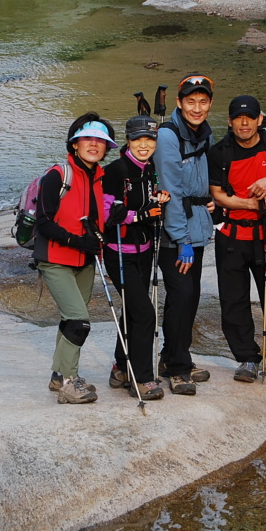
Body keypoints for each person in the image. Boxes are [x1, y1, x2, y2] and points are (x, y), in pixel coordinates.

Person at [208, 95, 266, 401]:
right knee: (233, 301)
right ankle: (247, 358)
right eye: (238, 118)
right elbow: (218, 195)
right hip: (231, 236)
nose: (245, 123)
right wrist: (251, 202)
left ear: (259, 119)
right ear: (230, 121)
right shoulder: (219, 152)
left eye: (250, 118)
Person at [34, 112, 116, 404]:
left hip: (84, 260)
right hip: (55, 257)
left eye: (100, 141)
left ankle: (60, 376)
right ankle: (69, 383)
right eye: (87, 139)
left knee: (70, 320)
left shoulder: (99, 178)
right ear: (75, 144)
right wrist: (75, 240)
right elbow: (43, 221)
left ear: (107, 147)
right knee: (79, 321)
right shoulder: (59, 175)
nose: (94, 145)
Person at [151, 74, 216, 395]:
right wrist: (182, 241)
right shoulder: (168, 136)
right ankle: (176, 369)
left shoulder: (203, 133)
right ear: (179, 103)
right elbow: (171, 190)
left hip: (198, 225)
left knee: (191, 296)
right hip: (174, 234)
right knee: (181, 295)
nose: (197, 107)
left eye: (203, 102)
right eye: (191, 101)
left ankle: (174, 356)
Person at [101, 115, 171, 401]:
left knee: (132, 311)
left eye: (150, 139)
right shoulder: (116, 171)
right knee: (145, 314)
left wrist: (158, 198)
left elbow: (148, 198)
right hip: (119, 254)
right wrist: (141, 214)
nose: (144, 145)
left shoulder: (150, 168)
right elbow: (107, 215)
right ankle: (141, 378)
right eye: (138, 139)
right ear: (127, 141)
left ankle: (120, 366)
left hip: (143, 253)